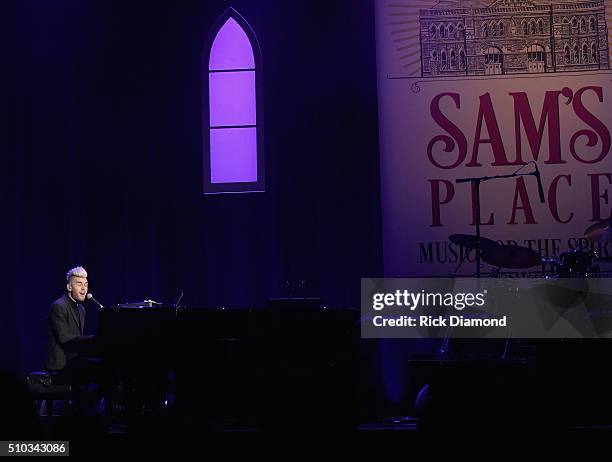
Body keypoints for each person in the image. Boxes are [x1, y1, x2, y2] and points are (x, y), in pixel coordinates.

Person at [46, 266, 101, 414]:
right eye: (79, 284)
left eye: (86, 284)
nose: (84, 288)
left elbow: (78, 342)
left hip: (74, 361)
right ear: (69, 286)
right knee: (99, 370)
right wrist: (94, 340)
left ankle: (86, 409)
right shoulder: (58, 306)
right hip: (61, 365)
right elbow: (65, 339)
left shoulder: (81, 309)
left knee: (107, 369)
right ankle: (82, 410)